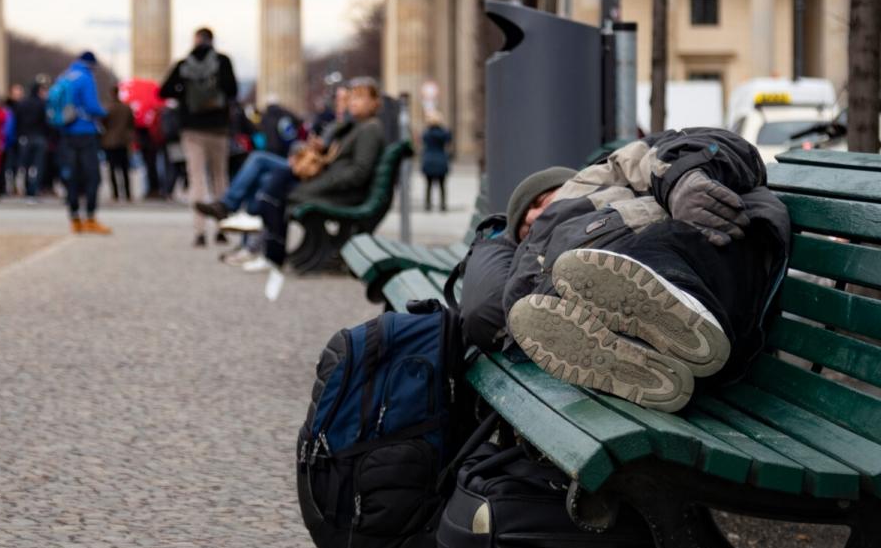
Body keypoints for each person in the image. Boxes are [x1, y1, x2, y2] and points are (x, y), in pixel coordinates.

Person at [457, 130, 790, 415]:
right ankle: (647, 358)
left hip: (707, 255)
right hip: (684, 331)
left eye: (541, 200)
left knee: (634, 256)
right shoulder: (527, 271)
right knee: (566, 296)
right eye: (521, 228)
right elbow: (482, 311)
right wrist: (494, 243)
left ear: (569, 181)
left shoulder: (603, 176)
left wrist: (683, 180)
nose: (532, 216)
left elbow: (707, 143)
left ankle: (685, 315)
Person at [252, 77, 386, 302]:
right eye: (351, 97)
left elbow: (358, 172)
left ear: (375, 103)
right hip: (340, 190)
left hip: (347, 196)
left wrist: (319, 185)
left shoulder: (370, 129)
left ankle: (269, 244)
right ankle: (268, 241)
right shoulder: (358, 126)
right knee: (277, 183)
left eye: (360, 97)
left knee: (277, 188)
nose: (353, 102)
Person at [159, 27, 238, 247]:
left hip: (192, 129)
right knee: (220, 177)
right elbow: (232, 90)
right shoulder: (223, 61)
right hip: (218, 129)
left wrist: (183, 92)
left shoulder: (184, 64)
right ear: (212, 40)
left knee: (197, 180)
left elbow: (163, 91)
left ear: (195, 40)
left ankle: (200, 231)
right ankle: (222, 229)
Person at [48, 51, 109, 233]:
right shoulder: (86, 77)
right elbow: (91, 106)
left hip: (66, 132)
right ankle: (90, 217)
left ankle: (74, 218)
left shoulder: (65, 76)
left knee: (71, 176)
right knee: (92, 177)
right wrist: (105, 113)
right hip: (85, 131)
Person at [11, 79, 50, 201]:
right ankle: (33, 190)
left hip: (25, 138)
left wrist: (18, 135)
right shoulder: (42, 104)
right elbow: (47, 122)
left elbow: (16, 121)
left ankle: (27, 188)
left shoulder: (22, 103)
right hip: (39, 138)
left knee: (25, 166)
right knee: (37, 166)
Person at [101, 90, 136, 202]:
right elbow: (132, 123)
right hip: (123, 141)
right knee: (125, 169)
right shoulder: (126, 108)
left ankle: (115, 194)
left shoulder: (107, 108)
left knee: (112, 169)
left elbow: (103, 123)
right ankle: (127, 193)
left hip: (110, 142)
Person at [420, 113, 453, 212]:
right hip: (440, 159)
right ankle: (443, 205)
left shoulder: (427, 133)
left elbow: (423, 140)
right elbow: (449, 139)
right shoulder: (443, 133)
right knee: (442, 185)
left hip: (429, 159)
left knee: (428, 185)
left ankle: (428, 205)